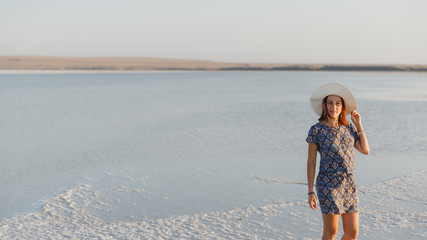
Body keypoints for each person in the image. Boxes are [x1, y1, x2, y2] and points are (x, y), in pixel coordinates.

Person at [306, 83, 370, 240]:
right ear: (324, 105)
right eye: (330, 102)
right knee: (331, 233)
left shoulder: (348, 128)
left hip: (349, 185)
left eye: (337, 103)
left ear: (342, 107)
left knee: (352, 233)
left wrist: (358, 124)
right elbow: (311, 162)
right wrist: (310, 192)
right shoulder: (317, 130)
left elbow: (365, 150)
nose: (333, 107)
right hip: (328, 186)